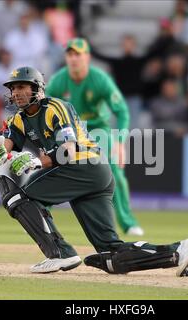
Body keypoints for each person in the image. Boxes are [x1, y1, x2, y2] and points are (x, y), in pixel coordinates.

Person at [0, 66, 188, 277]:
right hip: (94, 176)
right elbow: (7, 144)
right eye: (13, 88)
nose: (16, 93)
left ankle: (60, 253)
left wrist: (36, 162)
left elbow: (68, 151)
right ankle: (178, 251)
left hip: (85, 166)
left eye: (22, 86)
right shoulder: (18, 119)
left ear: (37, 89)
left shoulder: (55, 108)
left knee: (16, 197)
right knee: (111, 253)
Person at [45, 38, 145, 236]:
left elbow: (122, 111)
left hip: (97, 129)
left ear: (87, 57)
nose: (73, 59)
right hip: (68, 132)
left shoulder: (99, 79)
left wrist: (119, 142)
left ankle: (127, 222)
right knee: (51, 168)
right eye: (70, 54)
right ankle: (41, 218)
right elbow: (45, 112)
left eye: (78, 54)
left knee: (114, 170)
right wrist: (46, 143)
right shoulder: (58, 81)